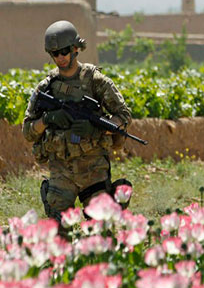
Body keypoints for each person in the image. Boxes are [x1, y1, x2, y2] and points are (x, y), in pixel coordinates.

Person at [22, 20, 132, 229]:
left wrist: (99, 127)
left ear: (75, 48)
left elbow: (124, 116)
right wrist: (48, 119)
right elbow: (28, 131)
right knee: (57, 232)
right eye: (54, 53)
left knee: (102, 232)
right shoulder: (46, 88)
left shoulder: (95, 81)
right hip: (61, 170)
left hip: (93, 169)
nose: (60, 58)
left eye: (64, 51)